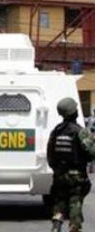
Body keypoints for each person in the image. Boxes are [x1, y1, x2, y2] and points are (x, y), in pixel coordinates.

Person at [47, 97, 95, 232]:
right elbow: (91, 153)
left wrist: (57, 169)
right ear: (73, 112)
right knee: (75, 201)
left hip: (59, 175)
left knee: (60, 201)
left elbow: (50, 154)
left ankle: (56, 225)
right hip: (76, 176)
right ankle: (74, 226)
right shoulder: (80, 131)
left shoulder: (56, 131)